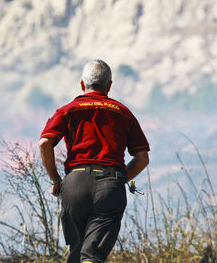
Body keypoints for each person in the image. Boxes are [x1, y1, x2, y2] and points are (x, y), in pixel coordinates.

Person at [38, 59, 150, 263]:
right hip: (110, 184)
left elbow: (45, 143)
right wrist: (120, 179)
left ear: (82, 84)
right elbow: (142, 158)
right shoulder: (124, 113)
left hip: (74, 184)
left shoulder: (68, 110)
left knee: (76, 253)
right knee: (92, 255)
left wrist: (55, 180)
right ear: (109, 85)